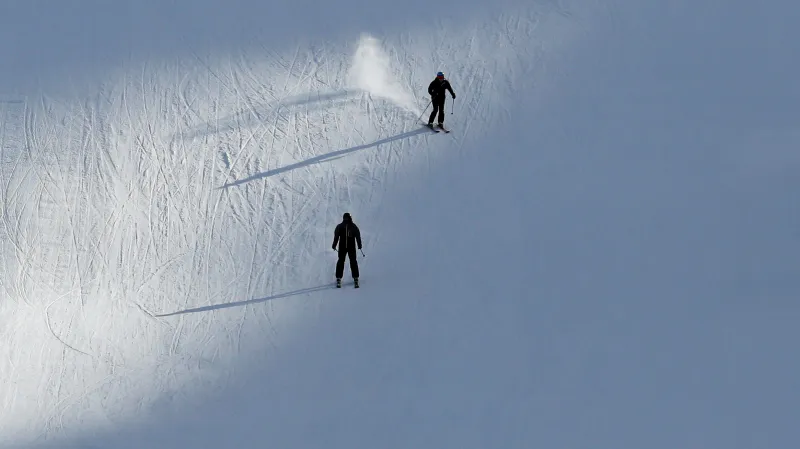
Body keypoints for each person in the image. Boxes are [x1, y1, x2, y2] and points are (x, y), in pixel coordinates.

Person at [332, 212, 362, 288]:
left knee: (351, 261)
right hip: (344, 247)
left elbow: (357, 235)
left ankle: (355, 277)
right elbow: (336, 236)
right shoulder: (341, 226)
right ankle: (339, 278)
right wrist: (334, 244)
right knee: (342, 261)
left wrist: (359, 245)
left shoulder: (352, 226)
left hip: (349, 247)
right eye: (346, 218)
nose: (346, 219)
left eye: (347, 218)